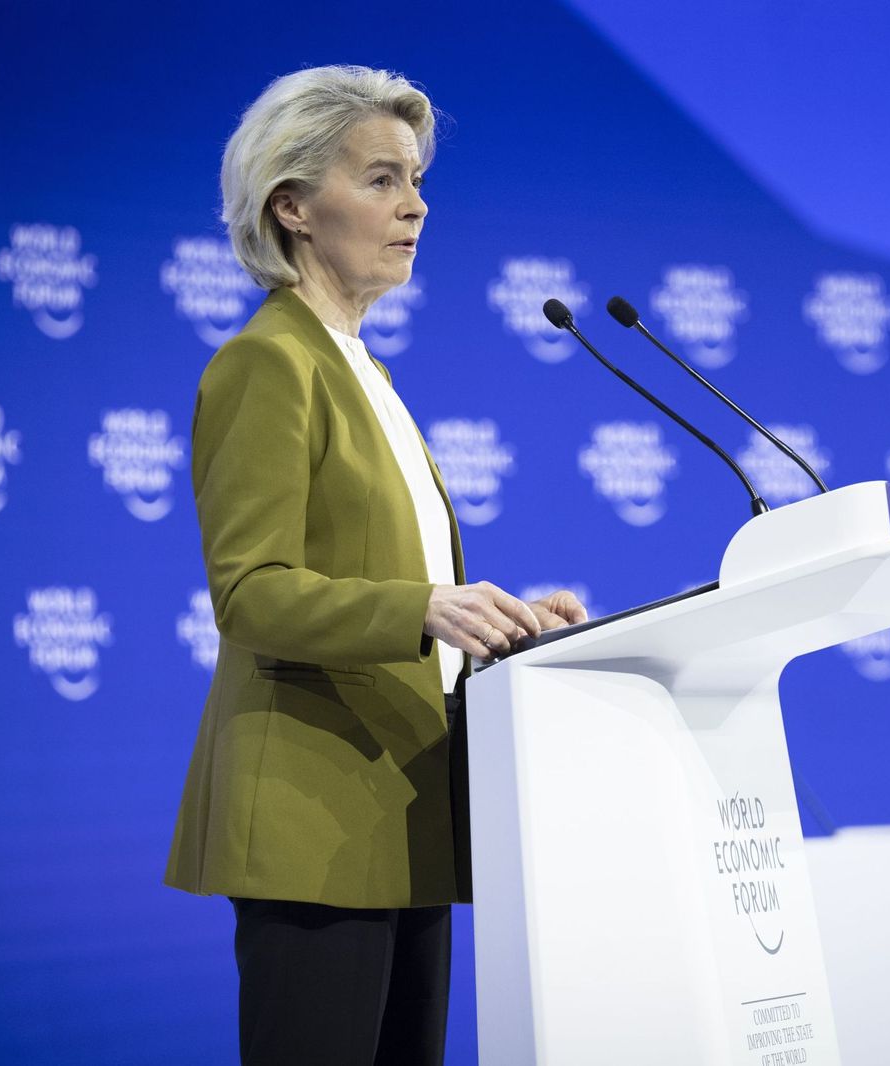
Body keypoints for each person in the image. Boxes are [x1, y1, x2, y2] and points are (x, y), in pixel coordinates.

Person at [163, 65, 585, 1066]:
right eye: (383, 178)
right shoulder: (267, 363)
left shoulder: (368, 372)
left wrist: (499, 622)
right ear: (294, 206)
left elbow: (396, 589)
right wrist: (425, 608)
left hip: (407, 818)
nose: (415, 205)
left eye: (417, 180)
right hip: (315, 830)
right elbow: (251, 592)